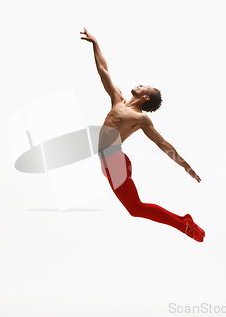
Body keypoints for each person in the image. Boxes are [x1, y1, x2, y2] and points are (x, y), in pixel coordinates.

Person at [81, 28, 205, 242]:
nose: (138, 84)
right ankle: (184, 221)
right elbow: (103, 70)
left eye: (143, 86)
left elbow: (162, 143)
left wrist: (186, 166)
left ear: (146, 97)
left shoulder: (141, 118)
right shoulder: (117, 98)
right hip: (107, 162)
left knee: (136, 208)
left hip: (115, 159)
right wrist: (95, 44)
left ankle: (184, 225)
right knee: (135, 208)